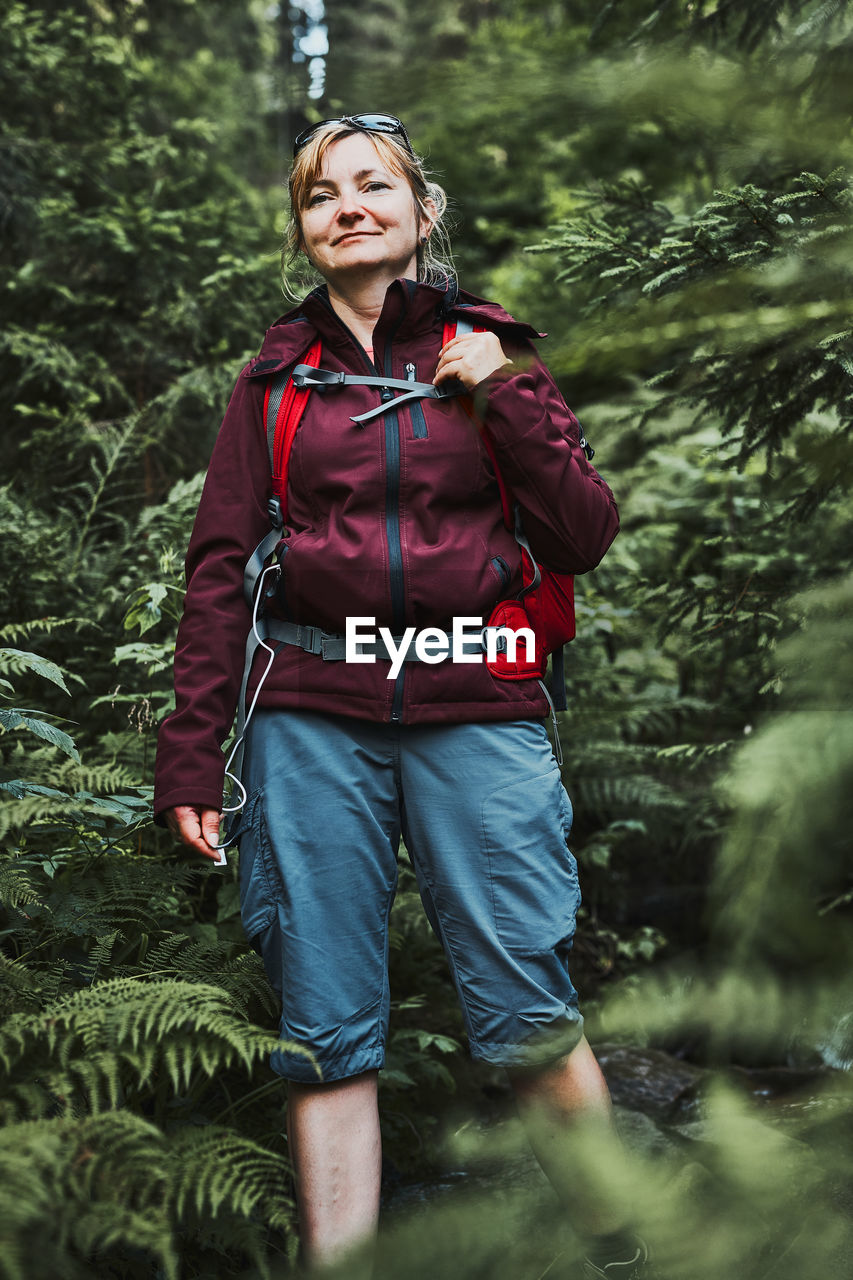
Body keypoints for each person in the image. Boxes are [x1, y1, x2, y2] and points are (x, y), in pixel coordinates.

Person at [154, 113, 645, 1278]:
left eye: (374, 186)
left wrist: (504, 394)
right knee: (325, 1028)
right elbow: (220, 570)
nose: (348, 207)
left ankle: (629, 1251)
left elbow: (582, 534)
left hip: (476, 703)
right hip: (310, 716)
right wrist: (191, 752)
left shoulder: (494, 351)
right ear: (306, 233)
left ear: (422, 214)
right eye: (322, 196)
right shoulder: (274, 385)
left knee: (525, 998)